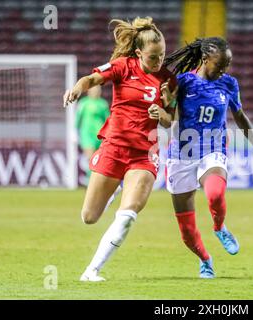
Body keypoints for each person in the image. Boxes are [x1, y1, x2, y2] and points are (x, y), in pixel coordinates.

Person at [162, 37, 253, 278]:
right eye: (220, 64)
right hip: (181, 155)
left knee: (216, 193)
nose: (224, 69)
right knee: (187, 231)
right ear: (205, 58)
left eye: (227, 65)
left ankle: (219, 227)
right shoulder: (183, 82)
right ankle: (205, 260)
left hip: (213, 149)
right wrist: (167, 104)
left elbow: (240, 116)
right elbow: (166, 120)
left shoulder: (229, 84)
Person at [63, 16, 176, 281]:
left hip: (144, 155)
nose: (158, 61)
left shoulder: (168, 79)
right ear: (138, 53)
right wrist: (77, 89)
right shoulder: (123, 66)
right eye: (152, 57)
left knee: (127, 216)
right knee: (89, 217)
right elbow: (90, 79)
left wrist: (162, 113)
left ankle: (92, 270)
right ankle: (113, 190)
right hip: (114, 147)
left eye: (162, 56)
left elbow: (172, 119)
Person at [75, 85, 110, 185]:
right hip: (87, 135)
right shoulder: (83, 103)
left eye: (98, 89)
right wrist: (75, 131)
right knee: (90, 158)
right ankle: (90, 181)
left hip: (100, 135)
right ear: (89, 91)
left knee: (98, 160)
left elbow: (107, 120)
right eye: (94, 89)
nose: (96, 91)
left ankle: (96, 181)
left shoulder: (102, 104)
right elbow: (78, 118)